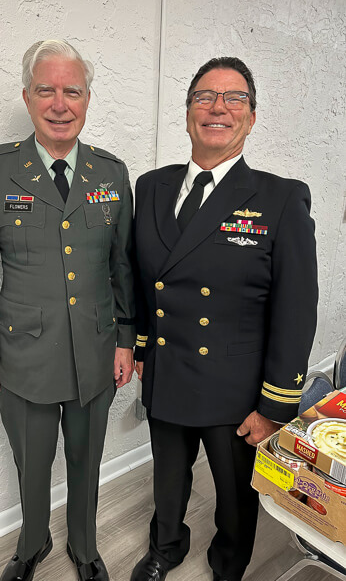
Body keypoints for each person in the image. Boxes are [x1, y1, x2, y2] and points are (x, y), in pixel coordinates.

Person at [131, 57, 318, 581]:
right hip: (167, 371)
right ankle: (165, 548)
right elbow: (139, 277)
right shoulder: (151, 187)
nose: (218, 107)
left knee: (235, 496)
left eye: (234, 98)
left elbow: (296, 311)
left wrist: (275, 404)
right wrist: (142, 347)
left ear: (251, 119)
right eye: (204, 97)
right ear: (187, 111)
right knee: (167, 480)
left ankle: (228, 562)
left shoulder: (280, 198)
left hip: (235, 385)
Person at [0, 39, 135, 581]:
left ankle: (84, 548)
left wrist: (127, 340)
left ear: (87, 99)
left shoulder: (110, 173)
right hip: (23, 354)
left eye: (72, 91)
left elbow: (122, 266)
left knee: (87, 464)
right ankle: (32, 542)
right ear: (28, 97)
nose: (60, 103)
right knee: (31, 464)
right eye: (46, 90)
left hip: (96, 349)